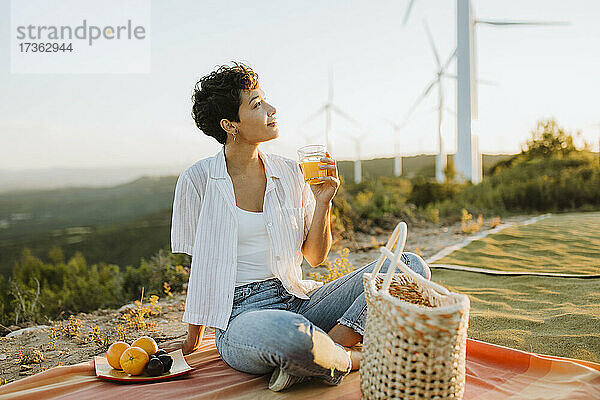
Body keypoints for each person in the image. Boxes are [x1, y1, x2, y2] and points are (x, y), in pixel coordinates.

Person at [162, 62, 431, 391]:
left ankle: (327, 352)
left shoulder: (291, 172)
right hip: (242, 318)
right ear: (229, 124)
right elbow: (201, 268)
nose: (272, 110)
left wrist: (324, 201)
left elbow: (315, 258)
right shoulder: (198, 180)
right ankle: (347, 356)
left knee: (410, 266)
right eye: (257, 105)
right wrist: (192, 341)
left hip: (298, 299)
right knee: (290, 335)